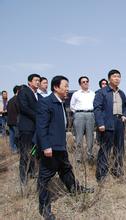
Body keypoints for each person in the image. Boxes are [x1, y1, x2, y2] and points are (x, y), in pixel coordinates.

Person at [36, 75, 93, 219]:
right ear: (56, 87)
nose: (68, 89)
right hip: (50, 148)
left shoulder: (60, 102)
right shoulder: (46, 102)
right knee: (45, 177)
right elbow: (41, 127)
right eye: (65, 86)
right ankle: (44, 209)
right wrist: (46, 146)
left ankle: (75, 190)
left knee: (66, 169)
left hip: (60, 146)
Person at [93, 69, 126, 182]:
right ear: (109, 78)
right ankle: (101, 175)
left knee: (119, 148)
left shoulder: (121, 93)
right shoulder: (102, 92)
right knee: (105, 149)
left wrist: (125, 115)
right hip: (107, 123)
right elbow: (97, 108)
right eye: (114, 76)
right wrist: (100, 123)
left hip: (119, 122)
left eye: (118, 76)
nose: (117, 78)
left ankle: (117, 171)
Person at [17, 74, 42, 185]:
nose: (38, 82)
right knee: (25, 152)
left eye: (39, 80)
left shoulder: (39, 96)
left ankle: (32, 172)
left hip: (36, 128)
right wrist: (38, 116)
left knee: (33, 151)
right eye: (36, 80)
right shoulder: (24, 92)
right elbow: (24, 108)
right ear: (29, 82)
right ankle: (23, 177)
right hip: (27, 128)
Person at [70, 76, 95, 163]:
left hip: (90, 114)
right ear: (80, 84)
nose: (85, 83)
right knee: (79, 138)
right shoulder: (76, 94)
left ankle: (89, 156)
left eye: (87, 81)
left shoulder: (93, 93)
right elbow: (72, 106)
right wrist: (77, 113)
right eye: (83, 82)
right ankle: (78, 158)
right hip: (79, 114)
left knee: (90, 137)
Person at [6, 85, 21, 153]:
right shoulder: (18, 99)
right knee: (17, 136)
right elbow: (19, 110)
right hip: (16, 121)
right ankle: (16, 149)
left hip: (9, 121)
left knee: (11, 136)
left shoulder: (10, 100)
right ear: (18, 91)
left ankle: (12, 149)